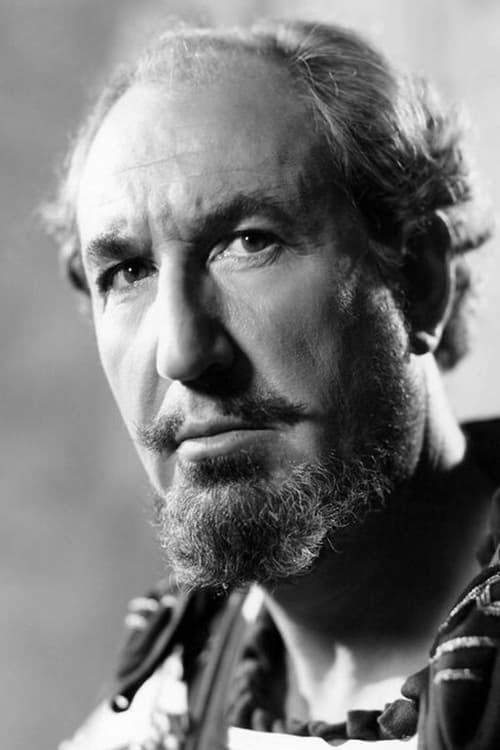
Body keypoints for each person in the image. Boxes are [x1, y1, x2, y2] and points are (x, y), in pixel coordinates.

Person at [44, 18, 500, 749]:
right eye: (127, 272)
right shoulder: (158, 702)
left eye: (249, 242)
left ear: (418, 279)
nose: (182, 354)